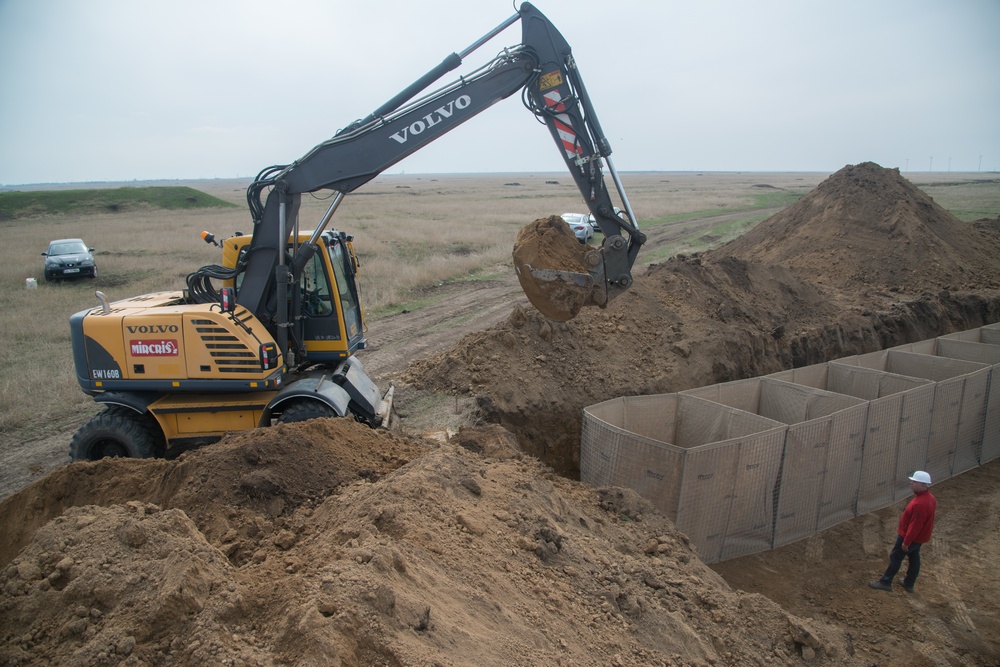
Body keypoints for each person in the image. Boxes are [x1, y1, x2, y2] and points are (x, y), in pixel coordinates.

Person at [869, 470, 937, 593]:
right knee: (914, 557)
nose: (911, 483)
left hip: (911, 537)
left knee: (896, 557)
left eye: (914, 482)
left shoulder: (920, 503)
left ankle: (885, 582)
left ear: (922, 485)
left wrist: (906, 542)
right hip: (919, 538)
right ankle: (908, 583)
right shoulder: (930, 498)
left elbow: (915, 525)